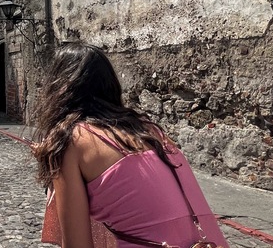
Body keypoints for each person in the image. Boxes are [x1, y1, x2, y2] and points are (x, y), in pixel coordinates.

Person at [33, 42, 228, 248]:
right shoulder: (148, 129)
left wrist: (53, 157)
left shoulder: (69, 140)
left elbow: (77, 244)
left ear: (57, 88)